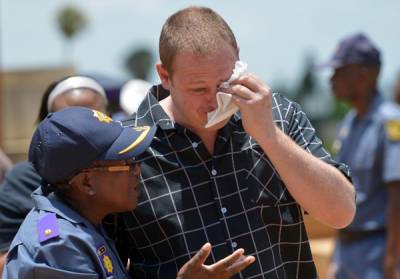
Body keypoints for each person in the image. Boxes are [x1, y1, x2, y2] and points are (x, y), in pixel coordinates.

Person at [111, 6, 356, 279]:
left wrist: (270, 137)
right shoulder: (124, 148)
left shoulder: (279, 116)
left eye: (225, 82)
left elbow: (342, 212)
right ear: (165, 76)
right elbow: (100, 265)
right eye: (199, 89)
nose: (215, 101)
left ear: (238, 59)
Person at [2, 107, 255, 278]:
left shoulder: (80, 223)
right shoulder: (57, 247)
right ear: (86, 182)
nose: (138, 170)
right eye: (127, 163)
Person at [0, 75, 109, 274]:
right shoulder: (23, 181)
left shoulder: (121, 176)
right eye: (69, 121)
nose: (82, 130)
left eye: (93, 117)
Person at [320, 33, 400, 278]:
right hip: (347, 253)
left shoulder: (390, 123)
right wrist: (336, 254)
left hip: (376, 252)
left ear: (364, 75)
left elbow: (397, 196)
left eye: (340, 71)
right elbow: (343, 191)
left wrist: (392, 261)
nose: (332, 79)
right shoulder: (350, 123)